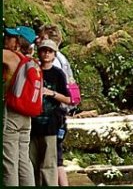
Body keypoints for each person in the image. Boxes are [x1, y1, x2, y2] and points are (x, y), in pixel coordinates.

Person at [37, 25, 77, 187]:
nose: (38, 40)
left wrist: (49, 93)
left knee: (54, 161)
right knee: (53, 160)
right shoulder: (60, 60)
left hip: (54, 119)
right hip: (46, 119)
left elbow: (67, 98)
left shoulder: (57, 67)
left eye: (41, 37)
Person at [29, 39, 70, 187]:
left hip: (51, 126)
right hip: (32, 125)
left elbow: (68, 98)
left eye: (50, 51)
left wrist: (50, 93)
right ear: (39, 52)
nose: (46, 54)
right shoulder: (33, 71)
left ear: (54, 55)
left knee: (49, 165)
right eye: (43, 50)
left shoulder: (58, 74)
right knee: (31, 165)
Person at [3, 27, 37, 186]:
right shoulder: (31, 61)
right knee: (23, 159)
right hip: (26, 116)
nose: (5, 38)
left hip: (12, 115)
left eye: (10, 36)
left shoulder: (10, 56)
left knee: (9, 161)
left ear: (17, 41)